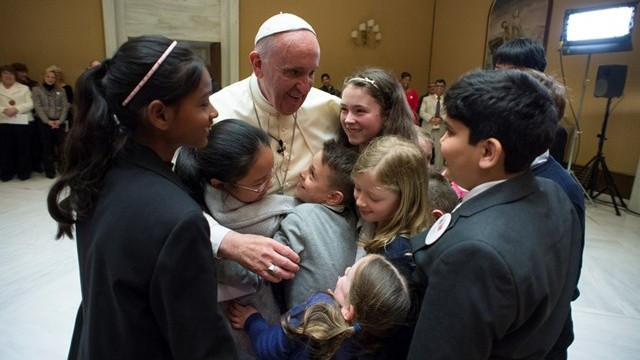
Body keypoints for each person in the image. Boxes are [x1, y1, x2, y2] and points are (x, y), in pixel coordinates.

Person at [47, 35, 237, 359]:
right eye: (203, 103)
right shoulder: (180, 220)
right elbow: (202, 347)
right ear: (160, 114)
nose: (214, 112)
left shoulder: (101, 170)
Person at [408, 70, 582, 359]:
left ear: (488, 151)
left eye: (451, 132)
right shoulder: (554, 196)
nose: (442, 143)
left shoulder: (473, 255)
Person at [206, 13, 341, 283]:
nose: (303, 87)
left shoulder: (332, 110)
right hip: (237, 266)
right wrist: (230, 243)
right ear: (258, 64)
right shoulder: (215, 112)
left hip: (311, 259)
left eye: (311, 73)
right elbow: (181, 200)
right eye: (292, 72)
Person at [228, 254, 411, 360]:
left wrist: (252, 321)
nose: (346, 270)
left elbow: (268, 349)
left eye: (349, 276)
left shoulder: (317, 312)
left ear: (349, 311)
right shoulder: (376, 342)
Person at [274, 139, 359, 309]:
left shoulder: (301, 218)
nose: (301, 173)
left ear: (334, 197)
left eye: (312, 174)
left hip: (301, 327)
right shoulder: (353, 219)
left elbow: (263, 266)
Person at [352, 135, 430, 277]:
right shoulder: (373, 220)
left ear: (405, 199)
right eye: (357, 188)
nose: (360, 201)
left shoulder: (396, 255)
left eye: (373, 198)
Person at [494, 37, 567, 164]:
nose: (502, 78)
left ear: (537, 75)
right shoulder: (490, 110)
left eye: (513, 71)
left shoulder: (547, 127)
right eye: (498, 70)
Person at [339, 67, 418, 152]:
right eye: (344, 109)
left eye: (360, 111)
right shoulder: (332, 159)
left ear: (387, 115)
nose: (348, 120)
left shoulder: (404, 162)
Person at [32, 66, 70, 178]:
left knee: (63, 147)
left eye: (53, 77)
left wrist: (60, 120)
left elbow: (65, 106)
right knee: (47, 147)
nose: (50, 79)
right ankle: (50, 171)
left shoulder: (61, 90)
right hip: (44, 123)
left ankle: (63, 169)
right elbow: (37, 107)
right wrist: (47, 121)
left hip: (59, 122)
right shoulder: (37, 90)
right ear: (44, 77)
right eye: (48, 76)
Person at [0, 64, 34, 181]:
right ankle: (7, 173)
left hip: (22, 121)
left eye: (11, 73)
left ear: (15, 76)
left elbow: (30, 104)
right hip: (3, 121)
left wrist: (16, 109)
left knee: (23, 148)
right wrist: (4, 109)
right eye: (5, 73)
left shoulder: (24, 88)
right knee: (5, 149)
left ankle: (23, 172)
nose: (8, 76)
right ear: (1, 75)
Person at [419, 78, 447, 171]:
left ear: (444, 88)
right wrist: (431, 118)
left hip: (441, 128)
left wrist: (441, 118)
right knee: (424, 148)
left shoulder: (447, 100)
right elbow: (421, 112)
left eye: (441, 86)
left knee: (440, 150)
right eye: (437, 86)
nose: (439, 88)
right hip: (428, 126)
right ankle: (422, 168)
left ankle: (438, 170)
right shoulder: (426, 99)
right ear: (434, 87)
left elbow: (449, 112)